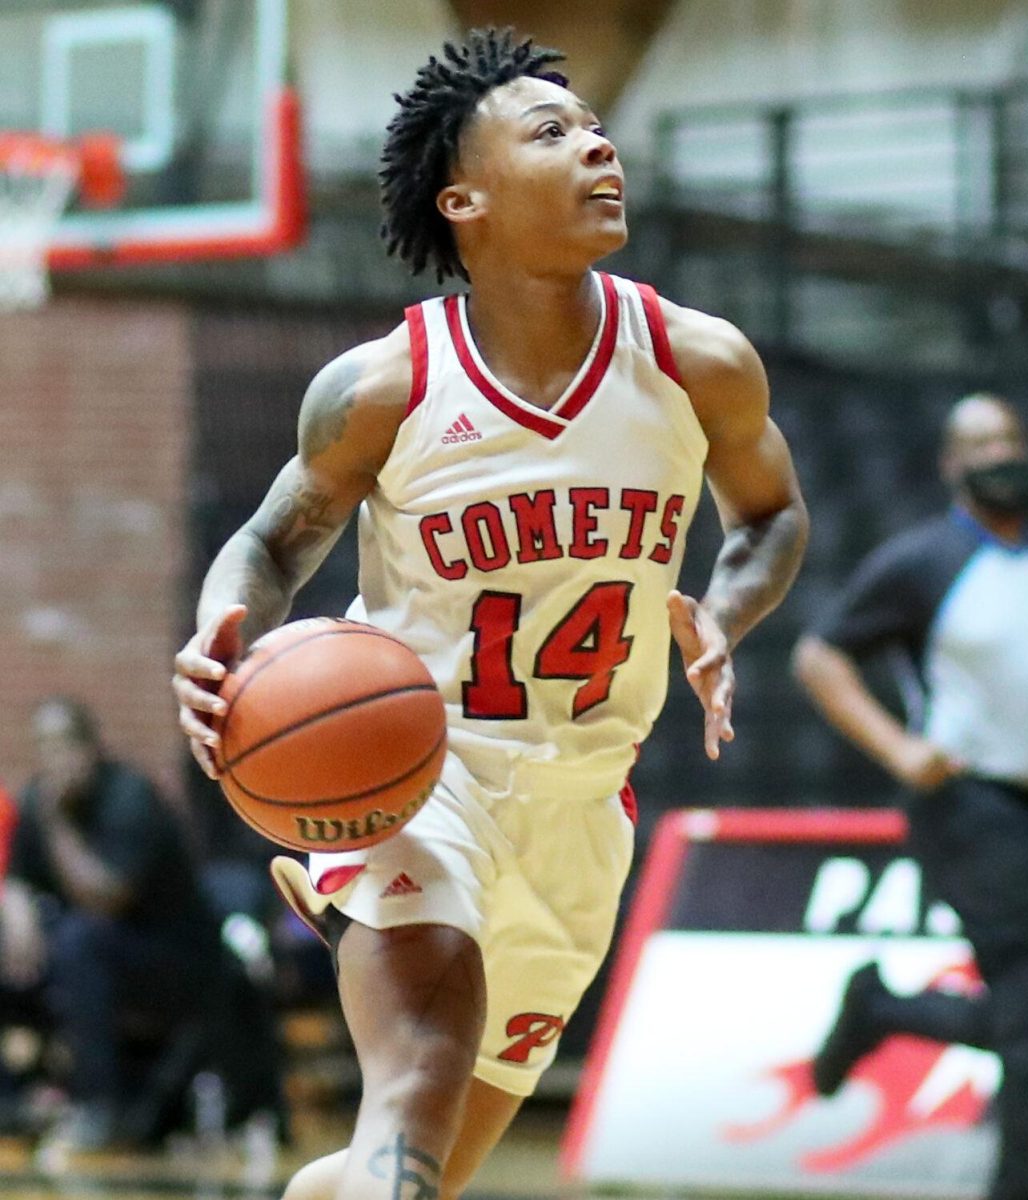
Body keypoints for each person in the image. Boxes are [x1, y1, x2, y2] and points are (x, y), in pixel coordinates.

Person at [172, 27, 808, 1200]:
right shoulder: (385, 387)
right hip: (411, 768)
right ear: (463, 197)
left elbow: (770, 516)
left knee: (418, 1170)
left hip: (581, 807)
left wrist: (727, 608)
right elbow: (271, 543)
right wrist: (226, 624)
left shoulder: (698, 361)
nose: (599, 143)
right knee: (414, 1077)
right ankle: (342, 882)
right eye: (553, 131)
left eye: (598, 126)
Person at [793, 393, 1028, 1200]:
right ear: (951, 464)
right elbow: (819, 658)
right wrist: (899, 749)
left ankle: (881, 1011)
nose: (999, 453)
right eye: (979, 443)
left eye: (1009, 437)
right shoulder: (923, 562)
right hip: (967, 806)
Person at [0, 697, 228, 1150]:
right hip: (101, 956)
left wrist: (56, 822)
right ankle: (14, 1100)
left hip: (179, 961)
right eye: (44, 746)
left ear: (92, 748)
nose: (55, 758)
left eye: (65, 744)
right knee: (47, 942)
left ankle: (98, 1106)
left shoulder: (129, 796)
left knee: (80, 940)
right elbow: (19, 880)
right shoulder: (37, 798)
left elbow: (105, 898)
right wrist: (18, 910)